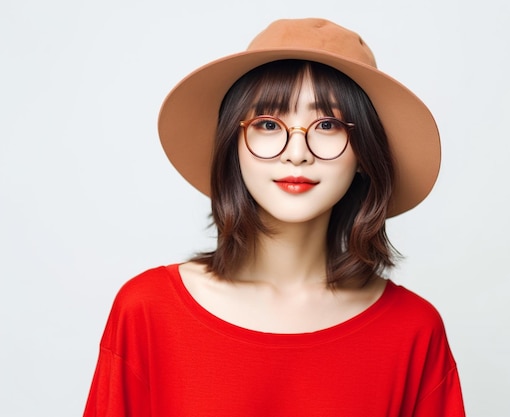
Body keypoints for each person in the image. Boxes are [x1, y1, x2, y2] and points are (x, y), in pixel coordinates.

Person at [83, 18, 465, 417]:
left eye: (327, 124)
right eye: (268, 123)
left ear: (364, 154)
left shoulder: (413, 331)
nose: (296, 151)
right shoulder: (148, 311)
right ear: (234, 144)